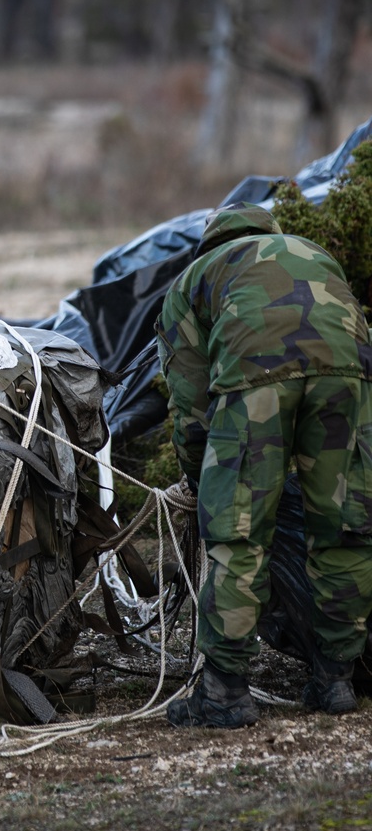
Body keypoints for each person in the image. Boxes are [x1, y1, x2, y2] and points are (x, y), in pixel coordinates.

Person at [155, 202, 372, 729]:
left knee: (239, 533)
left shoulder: (194, 279)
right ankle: (335, 679)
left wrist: (198, 475)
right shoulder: (313, 252)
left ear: (211, 242)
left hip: (256, 380)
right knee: (343, 527)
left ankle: (225, 691)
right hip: (350, 374)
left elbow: (189, 405)